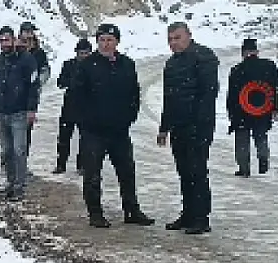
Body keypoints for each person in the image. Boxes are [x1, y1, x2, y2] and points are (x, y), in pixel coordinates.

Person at [70, 23, 153, 228]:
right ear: (97, 42)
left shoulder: (127, 64)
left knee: (127, 172)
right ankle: (95, 214)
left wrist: (130, 116)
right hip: (94, 132)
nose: (106, 44)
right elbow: (76, 96)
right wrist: (86, 121)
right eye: (102, 40)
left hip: (119, 130)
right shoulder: (87, 65)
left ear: (117, 41)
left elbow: (134, 93)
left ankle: (132, 210)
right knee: (92, 174)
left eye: (110, 40)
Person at [157, 22, 219, 235]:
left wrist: (199, 124)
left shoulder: (204, 57)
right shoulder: (171, 64)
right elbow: (169, 97)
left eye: (177, 37)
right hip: (178, 126)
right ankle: (188, 213)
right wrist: (164, 127)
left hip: (198, 126)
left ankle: (201, 218)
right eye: (170, 39)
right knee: (184, 171)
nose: (173, 43)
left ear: (189, 36)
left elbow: (208, 94)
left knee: (197, 170)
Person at [0, 26, 40, 201]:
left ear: (14, 39)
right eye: (0, 40)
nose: (4, 44)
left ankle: (19, 186)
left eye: (6, 40)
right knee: (6, 151)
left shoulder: (26, 59)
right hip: (1, 113)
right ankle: (10, 183)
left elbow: (33, 86)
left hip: (19, 113)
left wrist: (32, 109)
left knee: (19, 150)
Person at [227, 38, 278, 176]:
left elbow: (232, 94)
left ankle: (244, 169)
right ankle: (263, 160)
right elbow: (275, 86)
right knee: (261, 135)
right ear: (256, 51)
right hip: (263, 108)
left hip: (241, 110)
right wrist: (274, 107)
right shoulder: (269, 66)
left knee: (242, 139)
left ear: (243, 53)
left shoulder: (237, 70)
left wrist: (231, 113)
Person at [54, 38, 92, 175]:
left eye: (86, 53)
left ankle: (82, 165)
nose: (83, 55)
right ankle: (61, 165)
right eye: (81, 53)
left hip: (87, 108)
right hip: (69, 106)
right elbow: (60, 82)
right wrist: (71, 82)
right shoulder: (68, 65)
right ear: (76, 53)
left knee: (85, 139)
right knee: (64, 138)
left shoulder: (94, 66)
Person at [18, 21, 50, 159]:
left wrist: (37, 83)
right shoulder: (15, 49)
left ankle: (22, 162)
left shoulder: (39, 52)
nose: (29, 34)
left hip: (31, 98)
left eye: (31, 31)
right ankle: (8, 162)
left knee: (26, 131)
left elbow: (45, 70)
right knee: (11, 130)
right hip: (14, 95)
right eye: (27, 31)